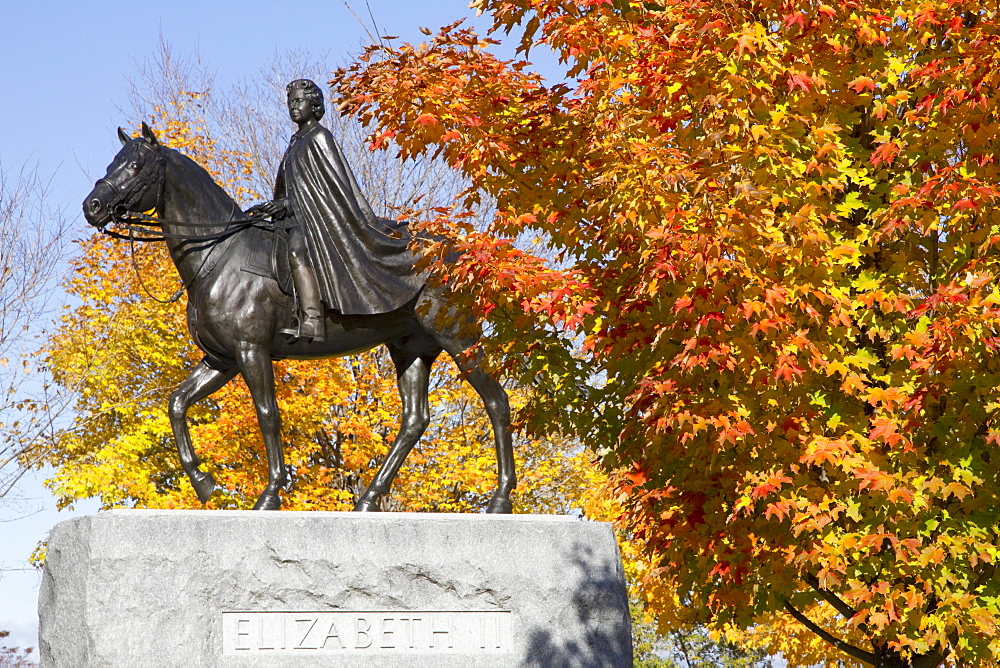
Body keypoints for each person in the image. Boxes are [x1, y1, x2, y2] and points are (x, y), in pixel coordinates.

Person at [247, 79, 422, 342]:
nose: (293, 107)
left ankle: (312, 321)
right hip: (293, 219)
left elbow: (331, 189)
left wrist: (285, 204)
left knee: (297, 249)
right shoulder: (296, 141)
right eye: (290, 102)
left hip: (319, 221)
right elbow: (290, 188)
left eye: (299, 101)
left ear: (314, 105)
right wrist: (273, 207)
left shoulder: (319, 137)